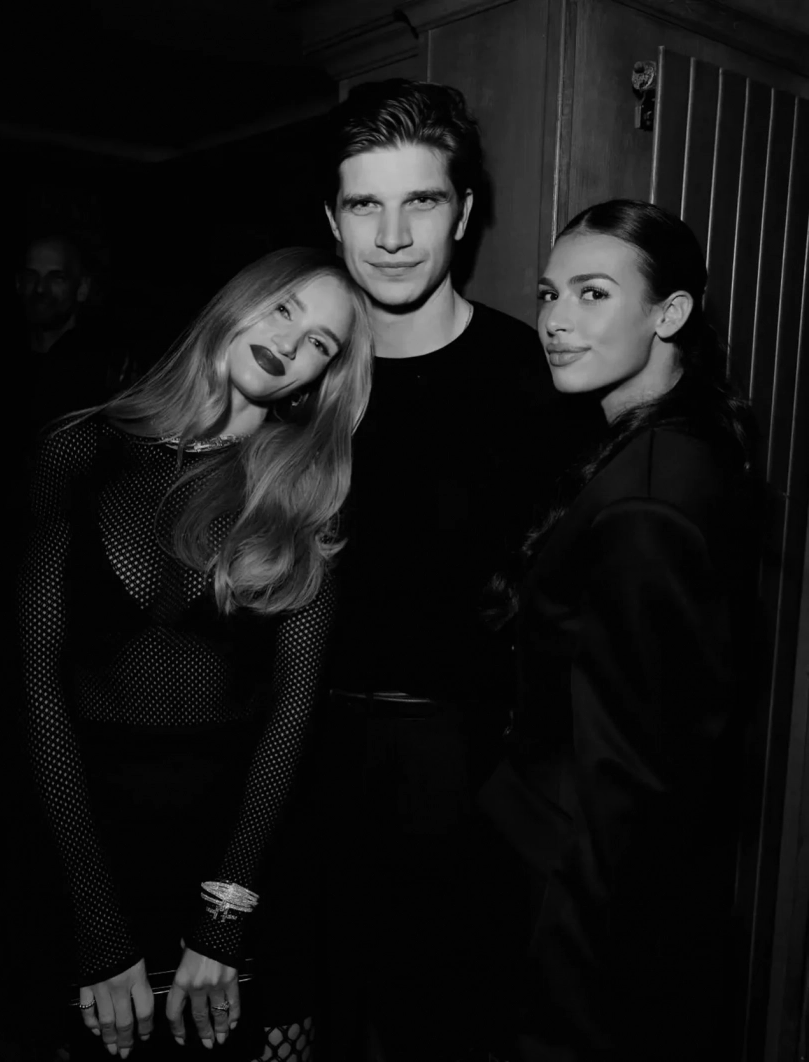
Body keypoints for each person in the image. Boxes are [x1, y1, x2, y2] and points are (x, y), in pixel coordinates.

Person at [17, 246, 373, 1062]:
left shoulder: (305, 490)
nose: (291, 342)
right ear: (238, 300)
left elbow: (293, 710)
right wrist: (98, 922)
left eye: (320, 342)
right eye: (284, 309)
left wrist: (225, 915)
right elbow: (36, 684)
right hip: (91, 851)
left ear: (321, 379)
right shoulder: (79, 451)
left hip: (252, 852)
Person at [318, 79, 599, 1061]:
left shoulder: (537, 383)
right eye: (365, 204)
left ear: (465, 212)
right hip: (300, 761)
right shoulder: (300, 373)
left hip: (468, 773)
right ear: (333, 220)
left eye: (422, 201)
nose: (393, 236)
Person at [479, 199, 760, 1062]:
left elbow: (634, 777)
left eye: (593, 293)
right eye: (548, 293)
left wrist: (584, 983)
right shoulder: (658, 448)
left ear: (668, 314)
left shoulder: (649, 494)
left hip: (575, 907)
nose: (556, 322)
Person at [13, 234, 131, 431]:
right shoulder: (1, 365)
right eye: (31, 276)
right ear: (18, 283)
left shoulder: (104, 370)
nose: (40, 288)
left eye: (56, 278)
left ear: (82, 288)